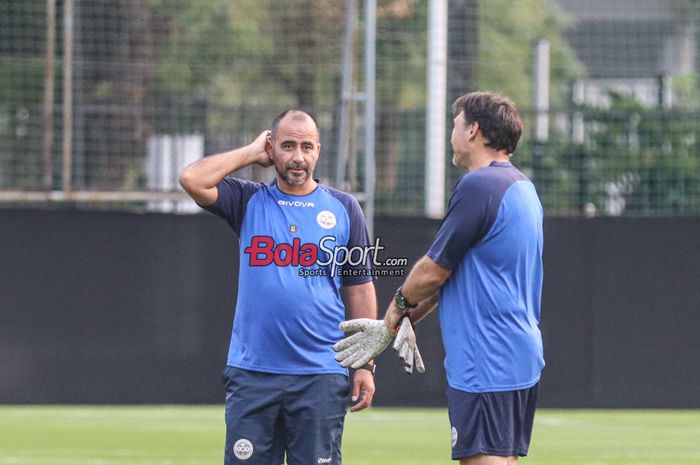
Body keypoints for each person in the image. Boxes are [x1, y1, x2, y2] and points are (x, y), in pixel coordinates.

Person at [336, 91, 544, 464]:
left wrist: (393, 314)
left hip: (487, 360)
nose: (452, 133)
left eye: (455, 124)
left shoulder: (479, 185)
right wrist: (405, 319)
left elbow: (433, 271)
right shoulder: (521, 186)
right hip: (515, 355)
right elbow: (457, 275)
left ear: (473, 131)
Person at [179, 108, 378, 465]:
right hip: (254, 373)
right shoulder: (247, 200)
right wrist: (251, 152)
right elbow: (192, 179)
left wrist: (365, 364)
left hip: (320, 374)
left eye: (306, 147)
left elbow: (360, 290)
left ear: (318, 150)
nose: (298, 157)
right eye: (287, 146)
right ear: (272, 149)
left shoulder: (344, 208)